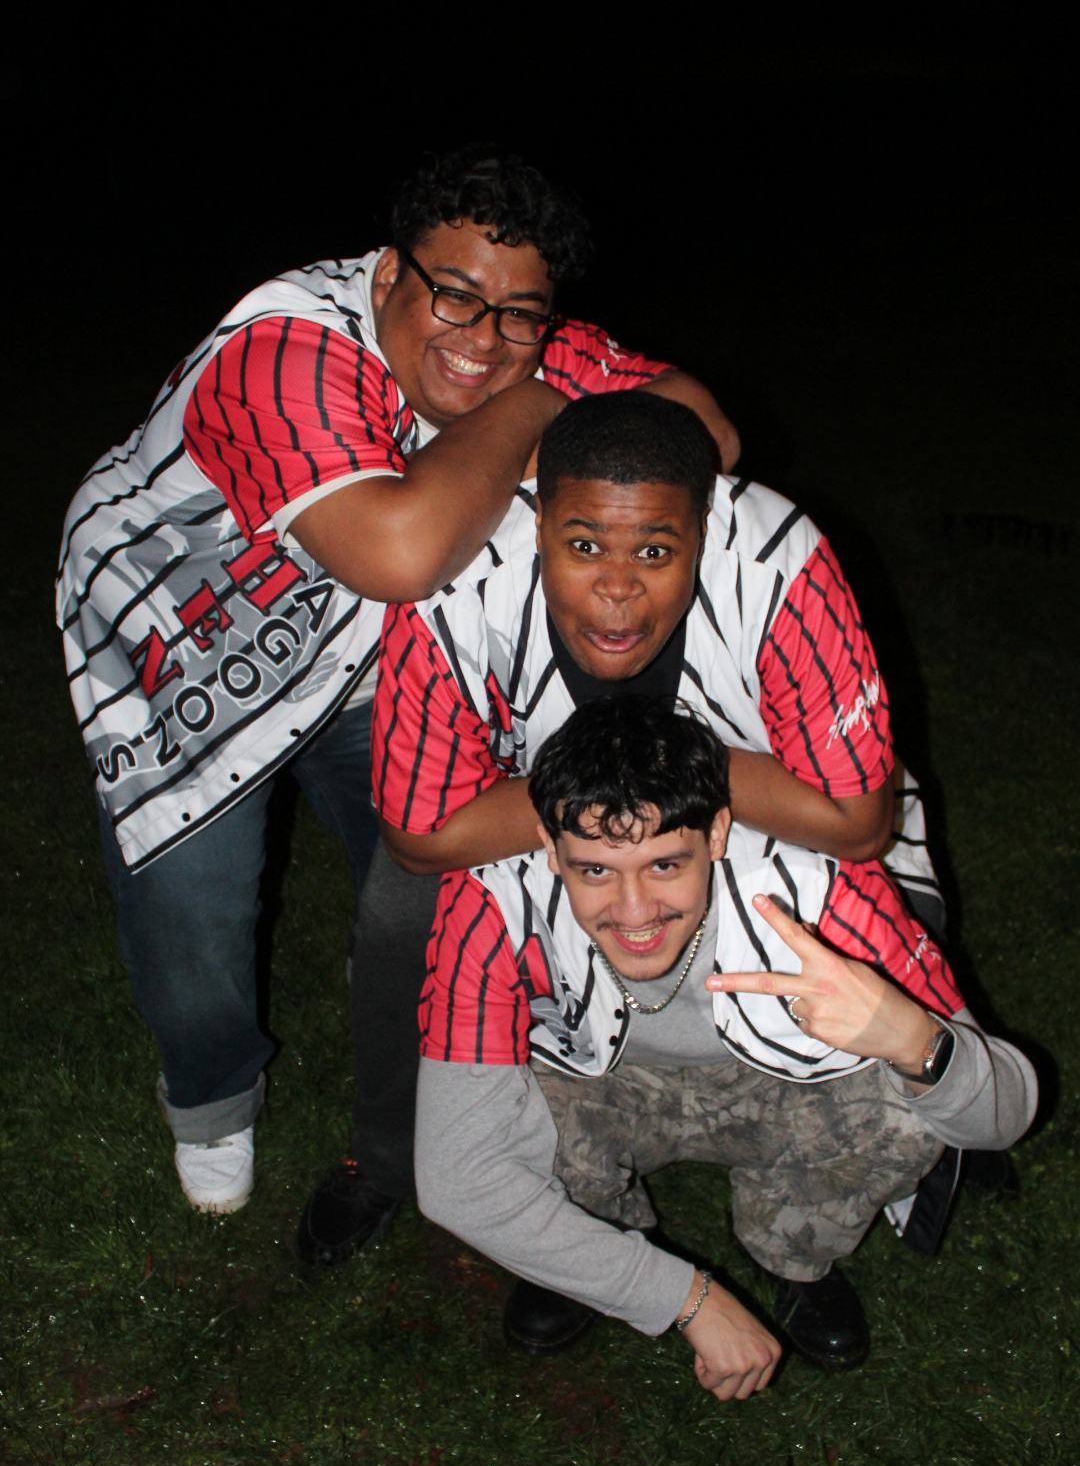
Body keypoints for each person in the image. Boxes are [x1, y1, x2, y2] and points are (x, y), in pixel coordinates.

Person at [57, 149, 738, 1218]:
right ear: (387, 275)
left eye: (520, 316)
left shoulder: (523, 340)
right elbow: (399, 553)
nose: (480, 342)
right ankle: (214, 1097)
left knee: (438, 877)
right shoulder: (283, 351)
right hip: (172, 641)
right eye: (453, 296)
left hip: (351, 645)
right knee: (191, 925)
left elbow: (703, 433)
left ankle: (443, 1102)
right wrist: (535, 408)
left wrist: (544, 381)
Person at [360, 386, 946, 1344]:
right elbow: (422, 836)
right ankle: (587, 1238)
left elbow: (854, 818)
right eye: (584, 544)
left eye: (656, 551)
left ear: (705, 532)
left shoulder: (775, 558)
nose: (619, 588)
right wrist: (604, 809)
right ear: (536, 519)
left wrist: (670, 766)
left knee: (887, 946)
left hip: (748, 827)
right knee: (421, 926)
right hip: (566, 836)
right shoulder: (460, 577)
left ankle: (794, 1243)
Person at [414, 699, 1035, 1384]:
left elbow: (1004, 1116)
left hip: (775, 1081)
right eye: (594, 870)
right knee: (496, 1120)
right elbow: (454, 1180)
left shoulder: (819, 890)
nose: (634, 913)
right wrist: (683, 1298)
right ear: (546, 841)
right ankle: (597, 1243)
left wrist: (915, 1039)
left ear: (717, 834)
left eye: (663, 865)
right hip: (596, 1080)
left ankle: (790, 1251)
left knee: (905, 1110)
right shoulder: (490, 900)